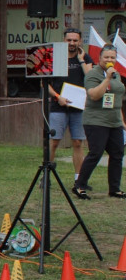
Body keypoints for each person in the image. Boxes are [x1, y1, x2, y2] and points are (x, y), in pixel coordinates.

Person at [72, 44, 126, 200]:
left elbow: (116, 100)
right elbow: (94, 95)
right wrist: (107, 78)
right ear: (100, 58)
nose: (110, 60)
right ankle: (79, 186)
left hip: (114, 121)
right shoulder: (93, 74)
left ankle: (114, 189)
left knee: (117, 154)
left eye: (112, 57)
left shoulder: (117, 74)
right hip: (96, 121)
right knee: (96, 153)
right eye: (106, 57)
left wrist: (122, 122)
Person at [47, 27, 93, 184]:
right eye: (69, 40)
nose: (72, 43)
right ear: (63, 40)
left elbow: (91, 77)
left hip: (78, 108)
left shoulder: (86, 58)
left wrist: (81, 60)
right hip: (58, 105)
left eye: (75, 40)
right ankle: (46, 176)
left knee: (78, 142)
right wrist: (58, 97)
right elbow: (44, 84)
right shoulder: (55, 57)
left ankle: (78, 179)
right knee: (53, 142)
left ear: (79, 41)